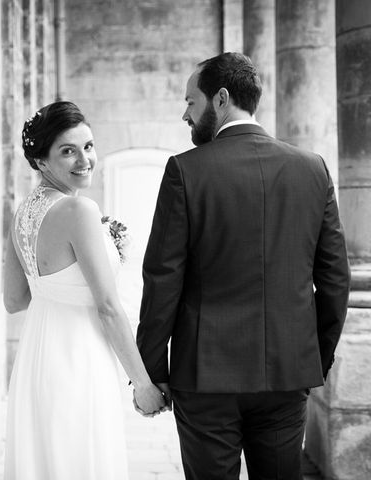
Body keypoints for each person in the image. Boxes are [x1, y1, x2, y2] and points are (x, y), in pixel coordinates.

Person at [137, 52, 351, 480]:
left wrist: (153, 373)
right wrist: (313, 359)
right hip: (288, 373)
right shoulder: (313, 169)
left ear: (220, 99)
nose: (185, 113)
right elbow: (335, 279)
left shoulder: (185, 170)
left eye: (190, 102)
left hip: (205, 376)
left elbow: (162, 280)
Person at [3, 101, 166, 479]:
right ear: (41, 161)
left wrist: (58, 286)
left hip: (35, 360)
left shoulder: (23, 212)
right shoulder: (80, 212)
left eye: (88, 146)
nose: (84, 159)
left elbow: (14, 300)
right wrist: (142, 384)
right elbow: (107, 307)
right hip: (78, 360)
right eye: (68, 151)